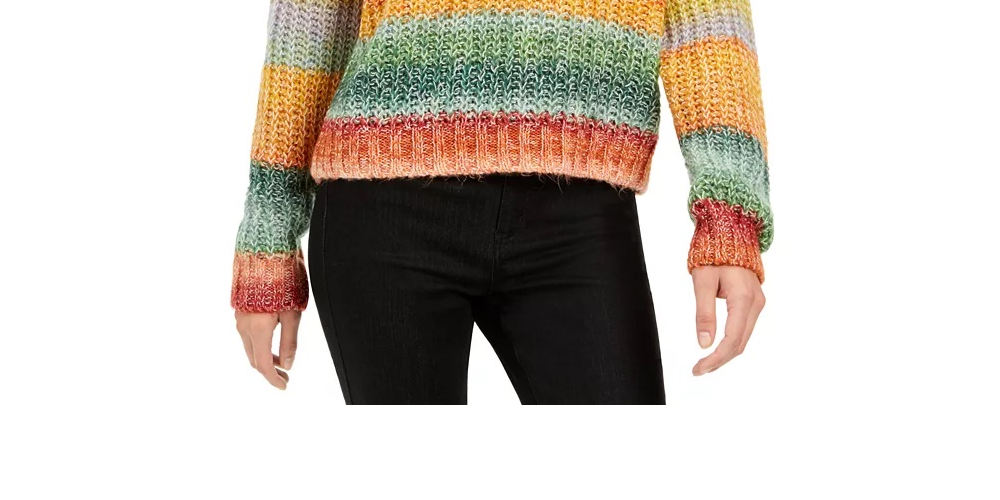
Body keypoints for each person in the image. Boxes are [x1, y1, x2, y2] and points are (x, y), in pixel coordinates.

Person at [232, 0, 770, 405]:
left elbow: (710, 19)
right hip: (385, 201)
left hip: (579, 213)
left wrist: (730, 217)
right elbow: (309, 25)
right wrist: (268, 237)